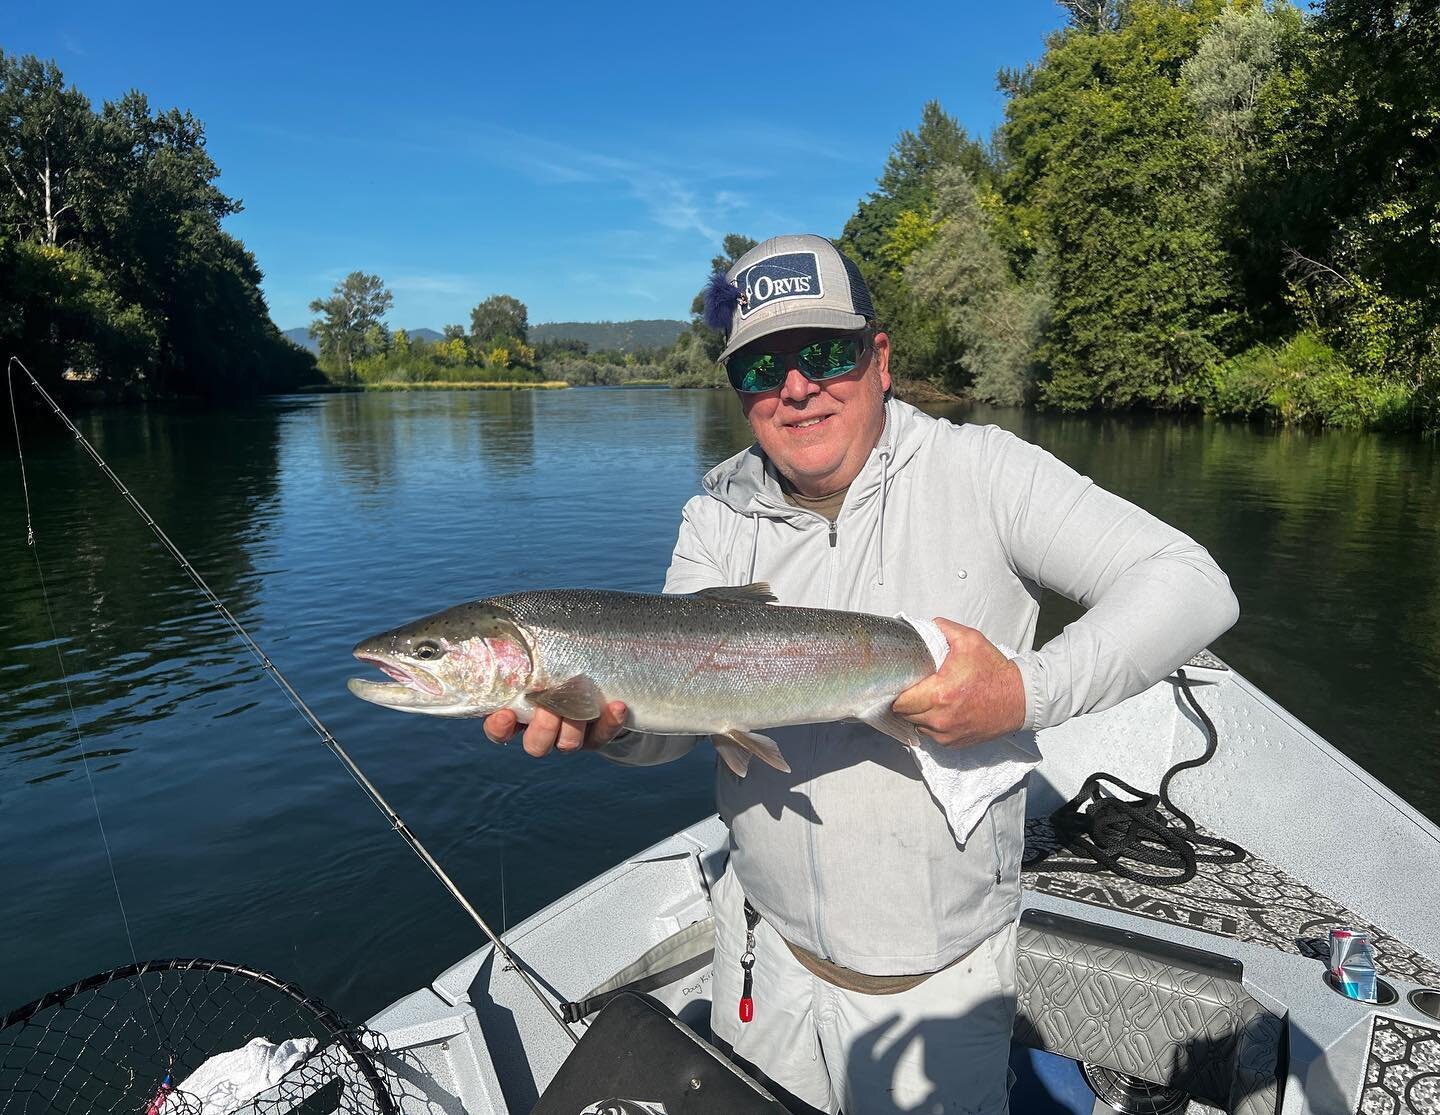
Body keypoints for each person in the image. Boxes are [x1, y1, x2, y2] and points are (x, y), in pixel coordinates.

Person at [483, 235, 1239, 1113]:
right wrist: (608, 728)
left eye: (826, 353)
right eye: (762, 367)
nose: (796, 387)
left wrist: (1027, 692)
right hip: (759, 947)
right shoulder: (715, 514)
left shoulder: (981, 471)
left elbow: (1190, 583)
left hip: (935, 979)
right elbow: (670, 722)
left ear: (879, 359)